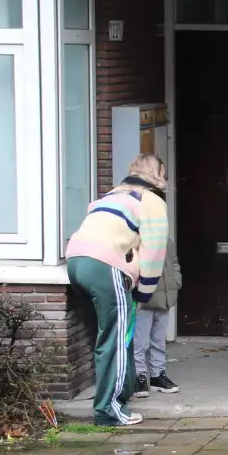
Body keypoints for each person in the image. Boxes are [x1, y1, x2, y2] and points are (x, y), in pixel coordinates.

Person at [65, 153, 169, 427]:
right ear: (157, 175)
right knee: (117, 338)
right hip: (105, 266)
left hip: (75, 261)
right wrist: (144, 292)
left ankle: (122, 392)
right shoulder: (152, 200)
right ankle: (109, 411)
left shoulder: (109, 196)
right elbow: (155, 249)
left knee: (107, 335)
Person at [133, 237, 181, 397]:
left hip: (165, 297)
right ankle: (139, 376)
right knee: (140, 341)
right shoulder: (136, 239)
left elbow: (173, 262)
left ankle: (157, 375)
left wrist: (175, 281)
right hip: (143, 298)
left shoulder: (166, 240)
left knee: (159, 340)